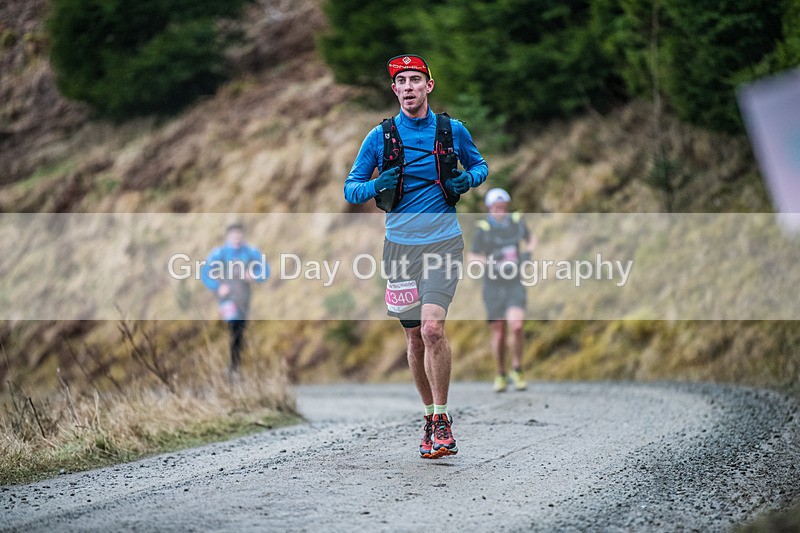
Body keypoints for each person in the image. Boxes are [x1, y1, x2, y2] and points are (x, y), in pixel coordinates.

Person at [344, 54, 488, 459]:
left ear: (429, 86)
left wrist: (466, 178)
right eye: (401, 81)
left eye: (415, 80)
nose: (408, 86)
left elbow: (481, 166)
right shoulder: (380, 137)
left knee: (432, 330)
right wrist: (376, 185)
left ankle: (442, 420)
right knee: (412, 337)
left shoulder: (451, 130)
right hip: (399, 249)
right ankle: (428, 417)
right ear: (394, 90)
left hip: (444, 242)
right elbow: (350, 188)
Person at [467, 188, 536, 392]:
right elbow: (471, 257)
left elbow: (531, 239)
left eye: (503, 207)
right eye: (496, 207)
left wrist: (528, 253)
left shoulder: (516, 222)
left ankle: (518, 369)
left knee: (516, 326)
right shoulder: (483, 228)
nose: (500, 210)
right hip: (493, 285)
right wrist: (489, 261)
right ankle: (500, 373)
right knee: (499, 332)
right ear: (489, 208)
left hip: (514, 281)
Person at [200, 222, 270, 376]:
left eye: (240, 234)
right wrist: (218, 287)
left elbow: (265, 270)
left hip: (244, 298)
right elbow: (205, 273)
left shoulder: (251, 252)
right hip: (227, 298)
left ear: (243, 236)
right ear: (228, 236)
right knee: (235, 326)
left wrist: (254, 275)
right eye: (234, 235)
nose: (237, 238)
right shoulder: (220, 253)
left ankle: (236, 365)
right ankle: (233, 366)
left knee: (241, 328)